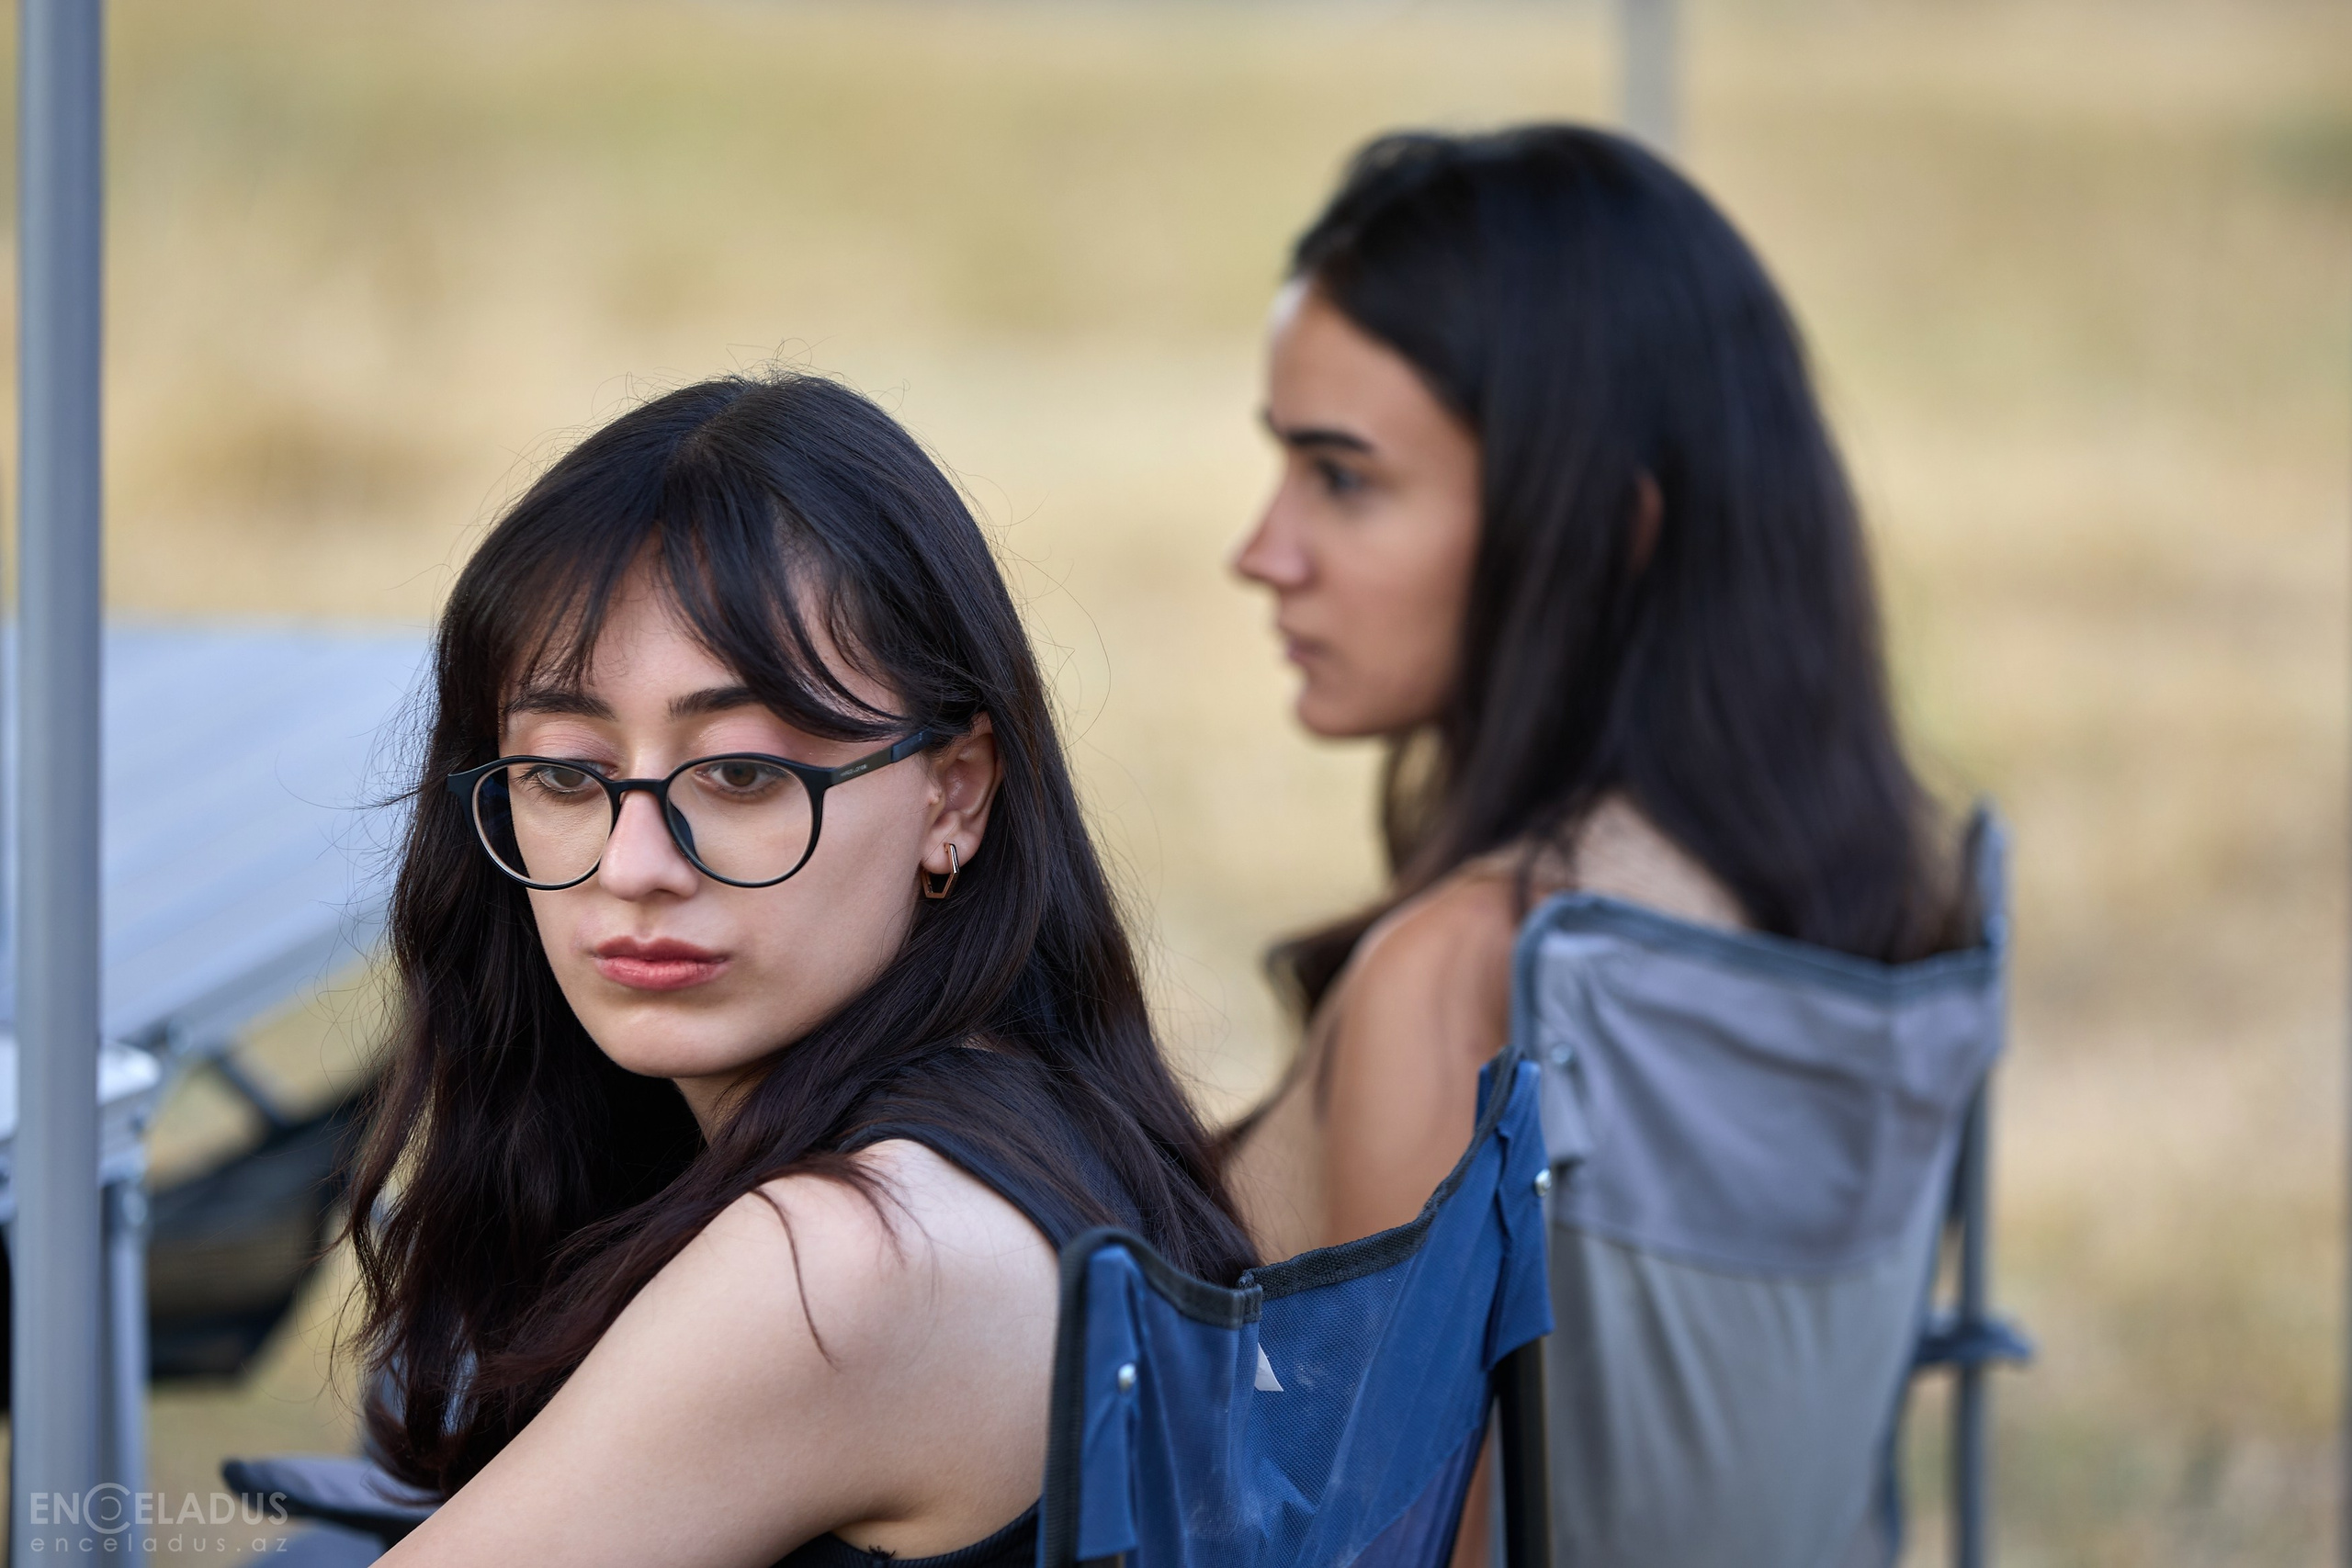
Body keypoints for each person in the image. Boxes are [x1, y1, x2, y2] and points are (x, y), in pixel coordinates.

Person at [344, 371, 1255, 1568]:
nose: (633, 863)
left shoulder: (849, 1261)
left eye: (740, 773)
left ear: (955, 795)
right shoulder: (1032, 1111)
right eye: (567, 774)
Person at [1221, 126, 1974, 1561]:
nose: (1263, 550)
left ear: (1600, 529)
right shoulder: (1830, 925)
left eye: (1343, 477)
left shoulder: (1469, 988)